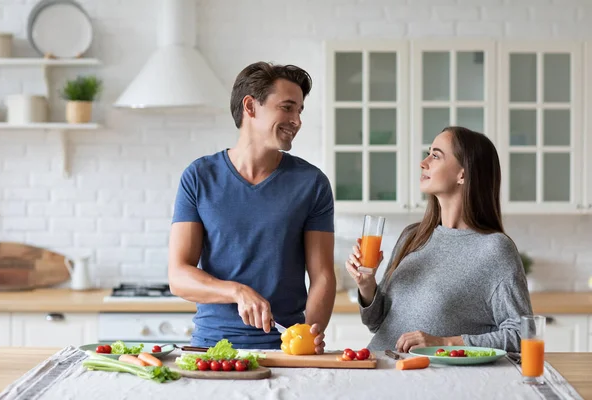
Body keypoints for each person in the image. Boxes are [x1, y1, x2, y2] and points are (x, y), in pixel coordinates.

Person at [168, 61, 336, 351]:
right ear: (250, 107)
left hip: (283, 349)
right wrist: (237, 291)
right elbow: (179, 275)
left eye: (299, 110)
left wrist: (308, 335)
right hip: (211, 348)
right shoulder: (199, 177)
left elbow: (322, 275)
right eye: (287, 107)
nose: (296, 120)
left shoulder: (312, 183)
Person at [345, 126, 532, 353]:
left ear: (463, 174)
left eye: (436, 155)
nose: (423, 163)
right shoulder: (412, 236)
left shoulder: (494, 249)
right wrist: (366, 285)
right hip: (381, 368)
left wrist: (444, 343)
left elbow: (524, 335)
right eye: (428, 153)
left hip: (432, 381)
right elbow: (377, 323)